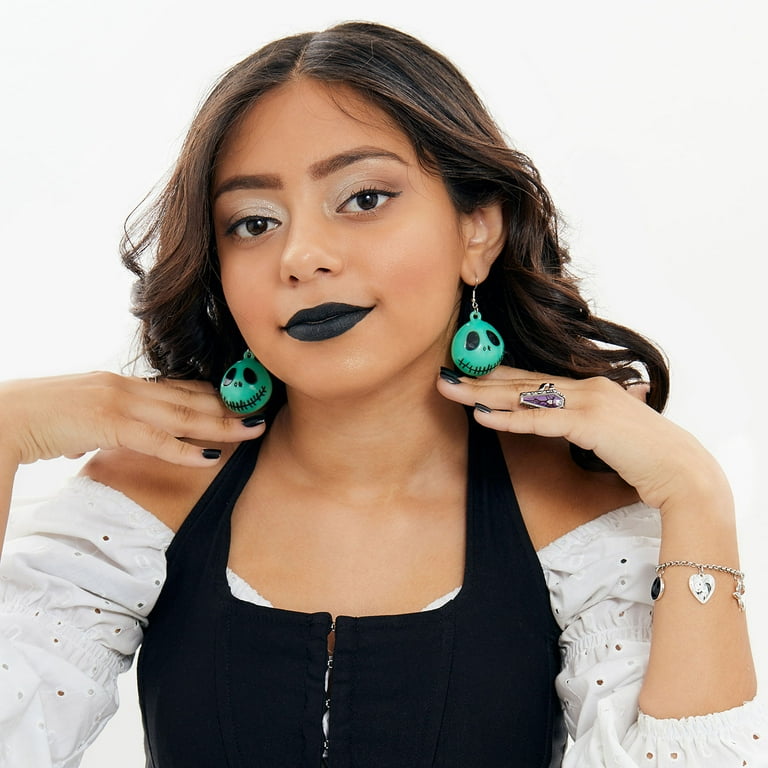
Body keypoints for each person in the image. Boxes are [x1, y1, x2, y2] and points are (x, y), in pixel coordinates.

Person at [0, 20, 764, 767]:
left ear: (477, 231)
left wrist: (696, 495)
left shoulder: (575, 523)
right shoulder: (146, 505)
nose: (302, 256)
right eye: (254, 222)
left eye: (363, 199)